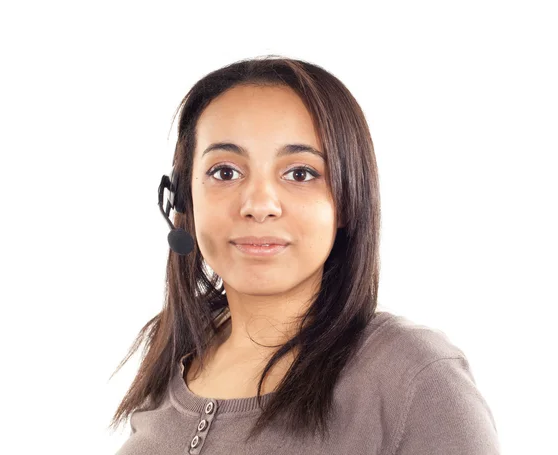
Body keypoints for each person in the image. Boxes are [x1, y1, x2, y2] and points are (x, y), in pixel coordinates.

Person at [110, 55, 501, 454]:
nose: (258, 204)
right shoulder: (174, 352)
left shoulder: (415, 378)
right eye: (225, 172)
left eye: (300, 173)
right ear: (183, 198)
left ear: (348, 201)